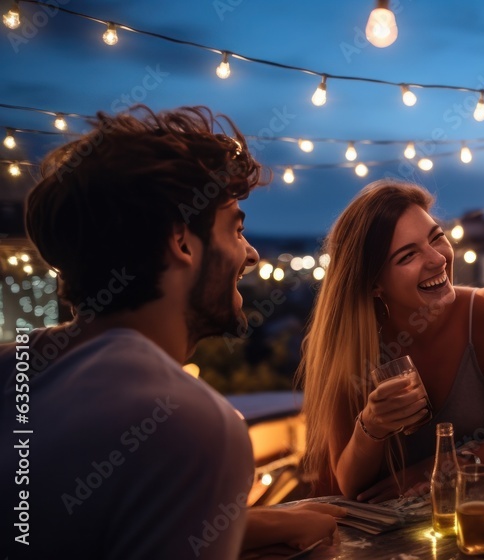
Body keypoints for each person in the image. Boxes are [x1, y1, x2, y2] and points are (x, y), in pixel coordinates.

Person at [1, 105, 345, 560]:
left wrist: (266, 522)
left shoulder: (16, 365)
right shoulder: (188, 425)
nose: (252, 254)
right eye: (235, 230)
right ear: (182, 242)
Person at [298, 180, 484, 502]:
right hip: (399, 533)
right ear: (374, 284)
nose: (438, 259)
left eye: (437, 238)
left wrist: (430, 472)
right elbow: (351, 485)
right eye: (408, 256)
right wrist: (372, 426)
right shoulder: (343, 346)